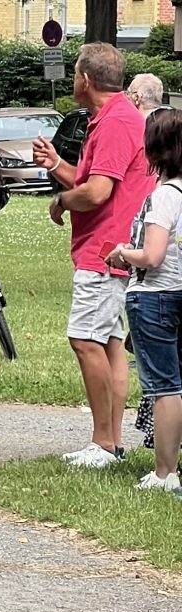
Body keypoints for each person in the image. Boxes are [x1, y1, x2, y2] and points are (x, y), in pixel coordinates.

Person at [32, 41, 152, 468]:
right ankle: (112, 442)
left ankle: (103, 443)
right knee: (110, 343)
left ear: (85, 80)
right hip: (113, 248)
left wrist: (61, 202)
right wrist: (57, 166)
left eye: (75, 75)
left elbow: (98, 193)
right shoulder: (113, 118)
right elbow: (95, 178)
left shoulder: (118, 121)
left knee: (84, 339)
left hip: (105, 250)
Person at [108, 109, 182, 492]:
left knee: (166, 386)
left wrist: (123, 252)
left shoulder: (164, 197)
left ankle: (166, 473)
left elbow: (152, 256)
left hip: (156, 296)